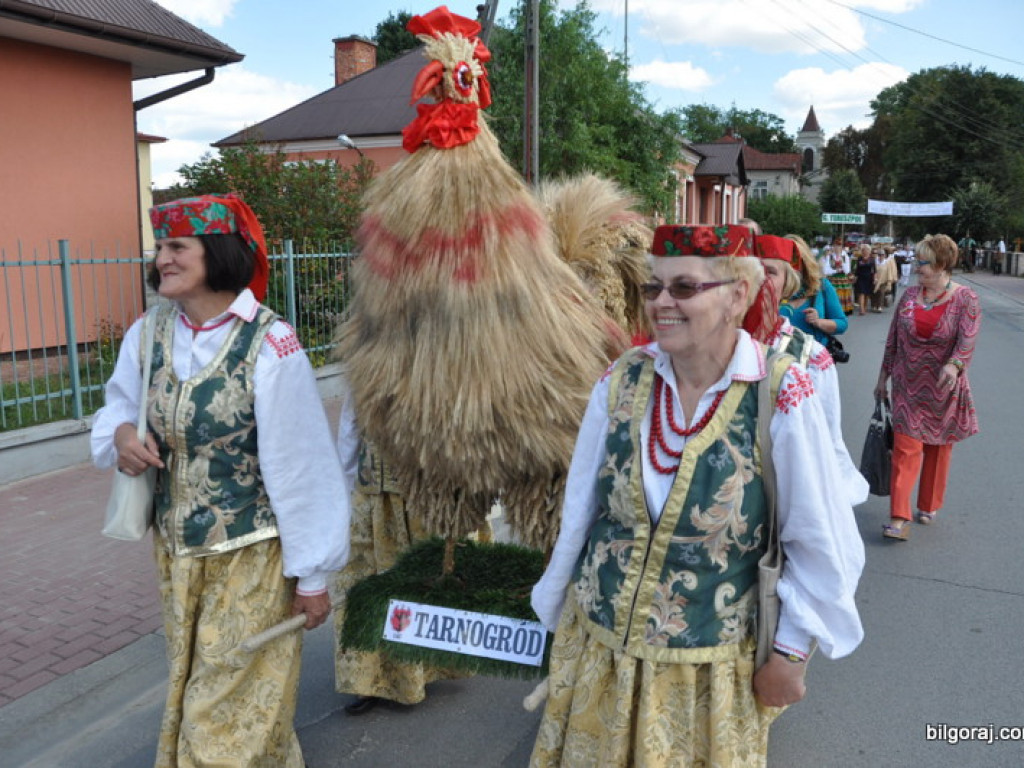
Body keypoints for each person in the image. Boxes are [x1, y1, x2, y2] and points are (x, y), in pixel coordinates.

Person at [529, 225, 865, 767]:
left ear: (737, 295)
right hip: (600, 654)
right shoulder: (620, 380)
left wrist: (792, 653)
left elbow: (820, 536)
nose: (662, 303)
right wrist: (555, 605)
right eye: (653, 288)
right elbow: (580, 512)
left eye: (684, 288)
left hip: (706, 673)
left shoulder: (781, 393)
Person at [91, 193, 351, 767]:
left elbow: (303, 469)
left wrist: (312, 577)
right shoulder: (149, 332)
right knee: (206, 688)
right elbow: (117, 407)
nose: (162, 259)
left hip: (250, 554)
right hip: (177, 555)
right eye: (160, 247)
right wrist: (121, 440)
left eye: (178, 246)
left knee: (222, 704)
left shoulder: (271, 344)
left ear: (219, 254)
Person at [875, 233, 981, 541]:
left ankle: (928, 504)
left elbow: (967, 339)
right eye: (917, 261)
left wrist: (954, 364)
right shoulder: (909, 297)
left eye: (923, 262)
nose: (917, 268)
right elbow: (894, 339)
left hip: (943, 386)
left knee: (938, 447)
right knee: (905, 449)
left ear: (942, 265)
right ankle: (898, 516)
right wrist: (882, 378)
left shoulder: (966, 299)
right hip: (906, 385)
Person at [755, 234, 867, 506]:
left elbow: (841, 323)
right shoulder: (764, 292)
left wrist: (819, 322)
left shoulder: (820, 288)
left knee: (809, 437)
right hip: (767, 368)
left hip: (808, 369)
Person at [780, 234, 849, 345]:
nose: (790, 265)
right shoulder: (774, 288)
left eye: (794, 259)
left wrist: (818, 322)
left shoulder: (821, 285)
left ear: (804, 260)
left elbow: (842, 324)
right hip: (778, 358)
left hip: (813, 357)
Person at [852, 243, 876, 316]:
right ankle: (861, 309)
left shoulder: (872, 259)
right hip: (860, 278)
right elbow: (857, 269)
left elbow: (874, 270)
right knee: (861, 293)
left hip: (869, 278)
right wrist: (855, 277)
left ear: (869, 251)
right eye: (863, 250)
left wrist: (875, 279)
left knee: (867, 294)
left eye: (866, 250)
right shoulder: (859, 258)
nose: (865, 251)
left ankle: (864, 307)